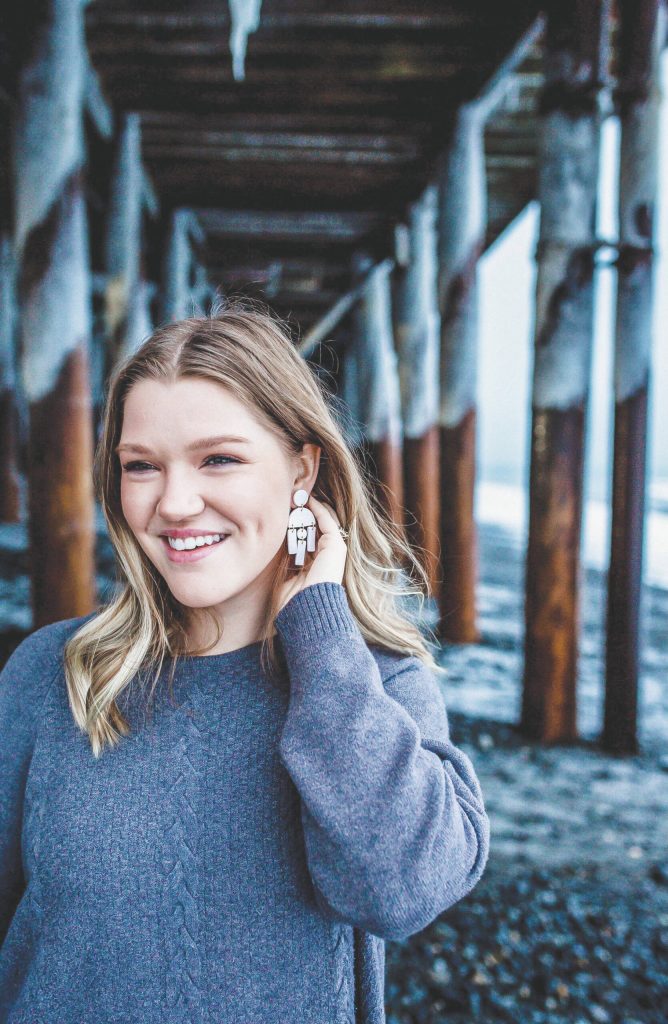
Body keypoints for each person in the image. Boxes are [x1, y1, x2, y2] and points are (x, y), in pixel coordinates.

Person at [0, 300, 490, 1023]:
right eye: (142, 466)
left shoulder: (379, 682)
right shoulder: (52, 673)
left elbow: (400, 892)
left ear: (302, 471)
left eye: (219, 459)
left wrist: (319, 627)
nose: (174, 502)